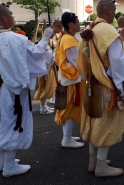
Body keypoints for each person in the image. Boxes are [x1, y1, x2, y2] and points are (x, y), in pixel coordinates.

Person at [0, 4, 53, 177]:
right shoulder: (14, 39)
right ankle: (9, 166)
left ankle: (0, 162)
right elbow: (35, 54)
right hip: (12, 89)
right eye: (10, 13)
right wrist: (47, 36)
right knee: (11, 123)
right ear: (3, 18)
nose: (13, 16)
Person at [79, 0, 124, 177]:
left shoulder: (89, 29)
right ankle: (101, 167)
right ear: (109, 12)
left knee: (94, 121)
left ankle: (93, 162)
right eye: (114, 10)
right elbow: (118, 62)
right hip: (106, 87)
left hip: (92, 85)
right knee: (106, 125)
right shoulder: (109, 32)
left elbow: (80, 61)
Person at [54, 12, 85, 148]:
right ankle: (66, 139)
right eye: (77, 22)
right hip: (72, 80)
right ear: (71, 24)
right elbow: (77, 61)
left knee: (65, 107)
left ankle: (67, 136)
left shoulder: (64, 38)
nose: (79, 25)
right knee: (70, 108)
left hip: (64, 78)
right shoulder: (70, 40)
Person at [33, 20, 63, 114]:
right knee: (44, 88)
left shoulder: (48, 42)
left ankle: (44, 105)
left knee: (47, 88)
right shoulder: (43, 44)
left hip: (48, 68)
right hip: (44, 69)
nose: (53, 34)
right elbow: (48, 58)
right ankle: (42, 107)